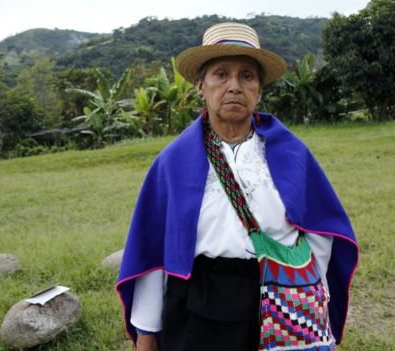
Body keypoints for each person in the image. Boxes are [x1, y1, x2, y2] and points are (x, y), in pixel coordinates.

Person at [116, 22, 359, 351]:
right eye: (221, 74)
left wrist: (308, 292)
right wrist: (146, 333)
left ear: (259, 89)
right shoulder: (172, 163)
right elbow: (154, 251)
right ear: (201, 85)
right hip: (197, 307)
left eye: (247, 76)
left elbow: (320, 229)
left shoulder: (291, 153)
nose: (234, 86)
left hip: (279, 301)